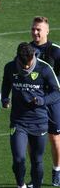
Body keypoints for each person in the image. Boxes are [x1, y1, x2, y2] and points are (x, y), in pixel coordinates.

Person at [1, 42, 60, 188]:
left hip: (39, 122)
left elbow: (56, 92)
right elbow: (6, 83)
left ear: (33, 56)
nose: (26, 67)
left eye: (29, 63)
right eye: (23, 64)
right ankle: (21, 185)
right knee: (19, 158)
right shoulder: (10, 67)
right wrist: (5, 98)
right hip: (18, 122)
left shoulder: (44, 68)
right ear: (18, 58)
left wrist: (43, 100)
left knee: (37, 161)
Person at [29, 16, 60, 187]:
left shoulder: (56, 51)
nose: (35, 32)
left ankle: (57, 170)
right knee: (32, 139)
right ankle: (36, 176)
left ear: (47, 31)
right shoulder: (26, 49)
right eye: (33, 29)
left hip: (53, 101)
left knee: (54, 138)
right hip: (34, 101)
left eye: (38, 29)